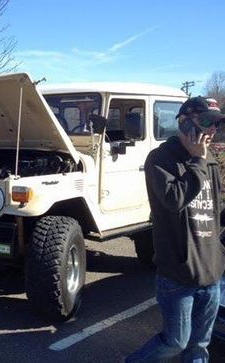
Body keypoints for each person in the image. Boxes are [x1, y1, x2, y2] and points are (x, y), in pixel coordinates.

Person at [126, 97, 225, 362]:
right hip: (179, 273)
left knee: (199, 346)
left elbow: (216, 209)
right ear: (184, 123)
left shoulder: (210, 160)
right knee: (176, 341)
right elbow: (174, 200)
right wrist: (196, 161)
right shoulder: (160, 159)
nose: (212, 130)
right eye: (206, 123)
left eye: (216, 124)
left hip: (212, 271)